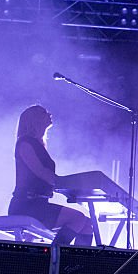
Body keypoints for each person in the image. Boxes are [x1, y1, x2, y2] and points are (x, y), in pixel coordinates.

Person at [8, 105, 95, 246]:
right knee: (78, 218)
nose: (49, 114)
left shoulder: (39, 144)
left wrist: (66, 183)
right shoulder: (25, 143)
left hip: (38, 204)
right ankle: (54, 257)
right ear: (33, 119)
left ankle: (78, 263)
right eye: (44, 112)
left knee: (87, 224)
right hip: (25, 205)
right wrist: (67, 183)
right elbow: (40, 172)